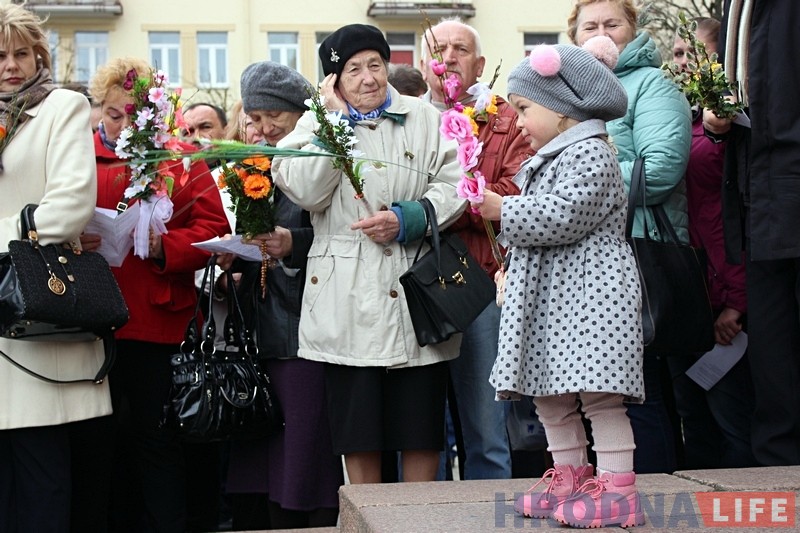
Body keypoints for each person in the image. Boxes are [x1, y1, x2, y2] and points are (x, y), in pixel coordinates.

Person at [273, 23, 465, 484]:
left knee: (420, 430)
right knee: (358, 434)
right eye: (353, 70)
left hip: (416, 293)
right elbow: (307, 191)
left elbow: (457, 184)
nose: (368, 79)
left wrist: (410, 218)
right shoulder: (312, 125)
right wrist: (333, 122)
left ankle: (419, 521)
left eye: (375, 65)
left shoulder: (424, 116)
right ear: (334, 83)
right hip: (346, 300)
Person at [475, 36, 644, 528]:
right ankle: (569, 473)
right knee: (549, 391)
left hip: (593, 298)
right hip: (552, 302)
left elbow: (564, 215)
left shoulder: (591, 153)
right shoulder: (549, 158)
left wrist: (502, 208)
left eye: (526, 109)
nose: (520, 121)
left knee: (599, 393)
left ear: (563, 108)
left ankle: (618, 486)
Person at [86, 56, 231, 532]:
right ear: (99, 111)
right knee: (96, 441)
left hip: (156, 321)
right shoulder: (77, 155)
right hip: (89, 320)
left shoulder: (181, 159)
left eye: (134, 114)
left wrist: (164, 245)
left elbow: (214, 228)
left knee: (156, 439)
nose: (124, 125)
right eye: (113, 114)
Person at [568, 0, 692, 474]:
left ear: (632, 30)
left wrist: (578, 186)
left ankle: (654, 495)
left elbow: (660, 170)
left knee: (635, 391)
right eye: (590, 25)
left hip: (635, 252)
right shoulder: (569, 92)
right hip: (584, 257)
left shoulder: (651, 84)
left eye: (611, 23)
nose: (601, 32)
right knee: (599, 393)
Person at [0, 5, 112, 532]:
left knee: (40, 477)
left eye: (22, 53)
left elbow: (71, 204)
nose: (12, 65)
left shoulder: (62, 106)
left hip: (33, 309)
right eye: (0, 55)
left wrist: (8, 233)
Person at [220, 61, 344, 530]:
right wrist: (230, 259)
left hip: (304, 323)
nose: (265, 127)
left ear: (299, 113)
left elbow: (340, 236)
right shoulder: (252, 161)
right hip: (260, 323)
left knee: (304, 441)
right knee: (266, 443)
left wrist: (293, 243)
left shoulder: (315, 157)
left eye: (275, 115)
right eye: (255, 117)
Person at [419, 17, 532, 480]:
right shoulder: (407, 118)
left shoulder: (506, 117)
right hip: (416, 282)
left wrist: (442, 207)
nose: (448, 58)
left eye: (460, 50)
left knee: (487, 427)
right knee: (424, 431)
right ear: (424, 63)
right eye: (438, 49)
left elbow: (516, 190)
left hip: (480, 280)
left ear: (480, 64)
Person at [666, 16, 756, 470]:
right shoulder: (673, 118)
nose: (685, 62)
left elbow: (734, 219)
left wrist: (736, 304)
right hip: (687, 295)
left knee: (733, 424)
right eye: (679, 53)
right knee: (692, 420)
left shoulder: (730, 125)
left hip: (726, 304)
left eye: (696, 53)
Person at [720, 0, 800, 466]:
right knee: (771, 348)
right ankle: (779, 466)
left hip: (785, 176)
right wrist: (717, 122)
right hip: (757, 190)